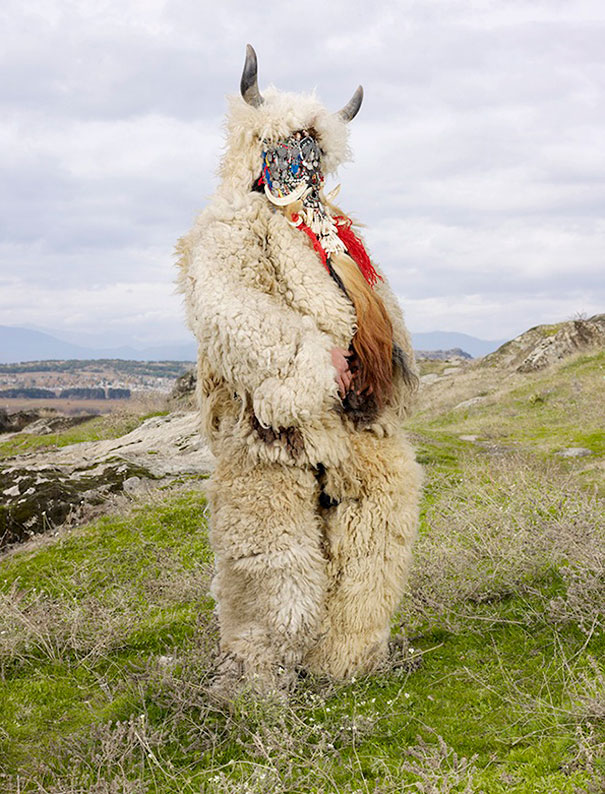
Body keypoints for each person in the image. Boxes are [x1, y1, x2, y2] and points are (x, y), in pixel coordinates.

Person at [177, 45, 422, 696]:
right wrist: (310, 360)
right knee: (272, 544)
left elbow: (374, 303)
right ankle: (253, 679)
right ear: (257, 147)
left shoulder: (334, 230)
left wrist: (381, 368)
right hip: (269, 418)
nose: (301, 163)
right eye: (289, 148)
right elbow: (226, 308)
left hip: (354, 415)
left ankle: (345, 659)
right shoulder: (233, 223)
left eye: (312, 151)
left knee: (375, 520)